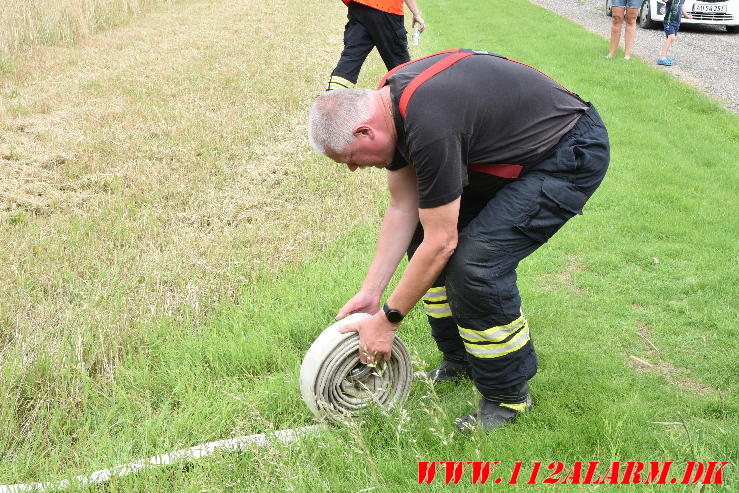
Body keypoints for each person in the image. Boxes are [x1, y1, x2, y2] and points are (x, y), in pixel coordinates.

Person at [308, 49, 610, 433]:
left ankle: (508, 398)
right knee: (421, 240)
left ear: (365, 131)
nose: (352, 168)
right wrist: (372, 294)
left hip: (566, 152)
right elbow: (403, 206)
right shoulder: (388, 102)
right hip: (506, 152)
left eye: (349, 157)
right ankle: (460, 361)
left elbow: (443, 242)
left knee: (475, 264)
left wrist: (388, 321)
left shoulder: (428, 120)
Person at [327, 0, 425, 91]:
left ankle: (331, 99)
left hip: (358, 6)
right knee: (401, 68)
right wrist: (416, 13)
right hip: (387, 9)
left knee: (350, 60)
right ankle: (412, 102)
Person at [657, 0, 693, 66]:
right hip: (669, 21)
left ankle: (665, 55)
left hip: (676, 23)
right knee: (671, 37)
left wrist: (686, 15)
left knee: (670, 39)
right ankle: (662, 58)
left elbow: (681, 6)